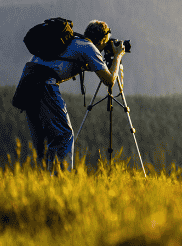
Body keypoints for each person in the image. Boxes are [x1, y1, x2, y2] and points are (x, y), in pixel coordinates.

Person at [13, 20, 125, 172]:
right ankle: (63, 178)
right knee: (64, 135)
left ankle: (44, 179)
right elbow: (109, 80)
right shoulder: (89, 48)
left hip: (27, 82)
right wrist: (117, 56)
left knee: (43, 141)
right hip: (44, 84)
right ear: (102, 40)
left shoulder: (73, 41)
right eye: (106, 44)